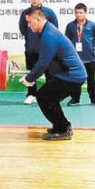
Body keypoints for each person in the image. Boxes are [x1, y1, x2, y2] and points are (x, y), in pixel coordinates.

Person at [20, 7, 87, 141]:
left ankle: (62, 129)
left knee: (44, 96)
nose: (28, 25)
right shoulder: (47, 31)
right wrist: (31, 76)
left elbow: (43, 63)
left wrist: (29, 78)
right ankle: (62, 126)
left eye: (29, 22)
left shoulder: (49, 35)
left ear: (38, 19)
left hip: (72, 75)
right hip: (69, 74)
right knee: (49, 97)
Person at [19, 0, 59, 106]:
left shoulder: (49, 12)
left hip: (47, 49)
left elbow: (55, 29)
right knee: (31, 71)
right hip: (31, 49)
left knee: (50, 73)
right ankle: (31, 95)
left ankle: (50, 95)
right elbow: (23, 29)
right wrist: (32, 39)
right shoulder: (25, 13)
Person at [65, 3, 95, 107]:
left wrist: (90, 46)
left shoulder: (92, 25)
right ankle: (75, 99)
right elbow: (67, 40)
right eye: (76, 12)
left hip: (89, 58)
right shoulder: (70, 26)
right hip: (75, 58)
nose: (78, 14)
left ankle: (94, 99)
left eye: (81, 12)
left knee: (91, 80)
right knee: (75, 80)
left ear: (85, 13)